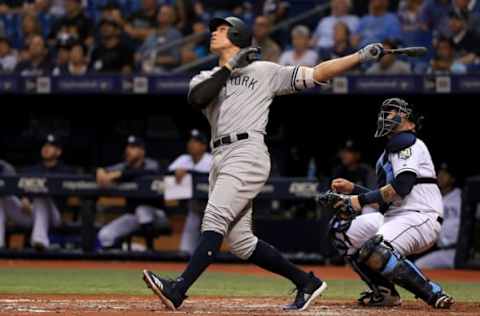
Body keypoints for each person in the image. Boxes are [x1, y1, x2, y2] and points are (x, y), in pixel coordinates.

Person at [142, 15, 385, 312]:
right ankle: (306, 282)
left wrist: (359, 56)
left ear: (238, 35)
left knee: (214, 219)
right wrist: (230, 66)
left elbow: (317, 72)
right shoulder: (203, 77)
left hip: (247, 152)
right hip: (220, 156)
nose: (214, 33)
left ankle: (178, 289)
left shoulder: (264, 71)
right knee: (242, 243)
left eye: (221, 29)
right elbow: (198, 99)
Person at [329, 98, 454, 309]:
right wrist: (354, 190)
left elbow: (402, 186)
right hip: (394, 217)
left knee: (376, 248)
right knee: (341, 231)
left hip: (420, 217)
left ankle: (432, 292)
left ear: (411, 124)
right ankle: (384, 293)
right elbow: (387, 199)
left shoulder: (408, 142)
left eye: (397, 113)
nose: (389, 116)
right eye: (387, 113)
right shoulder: (388, 153)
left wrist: (356, 201)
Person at [96, 135, 167, 250]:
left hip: (158, 216)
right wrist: (100, 171)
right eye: (128, 147)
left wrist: (119, 175)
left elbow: (146, 172)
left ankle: (150, 252)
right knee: (105, 235)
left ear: (142, 151)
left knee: (142, 210)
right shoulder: (124, 166)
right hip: (134, 216)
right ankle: (120, 258)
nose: (128, 150)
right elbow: (106, 170)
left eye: (133, 147)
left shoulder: (152, 164)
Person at [22, 133, 75, 250]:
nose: (46, 148)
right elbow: (16, 187)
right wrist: (24, 199)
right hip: (30, 212)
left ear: (58, 152)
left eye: (51, 146)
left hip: (54, 216)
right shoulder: (31, 170)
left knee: (41, 196)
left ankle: (39, 241)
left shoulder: (66, 171)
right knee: (3, 199)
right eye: (44, 146)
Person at [168, 130, 212, 255]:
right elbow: (167, 174)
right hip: (194, 207)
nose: (191, 144)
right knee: (185, 250)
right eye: (190, 141)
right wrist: (177, 172)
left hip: (212, 206)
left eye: (196, 141)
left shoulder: (210, 160)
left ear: (203, 146)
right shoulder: (183, 159)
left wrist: (188, 173)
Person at [415, 163, 462, 269]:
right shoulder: (432, 199)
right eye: (439, 173)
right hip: (443, 251)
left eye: (445, 174)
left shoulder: (462, 197)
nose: (440, 176)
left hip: (460, 251)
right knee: (418, 267)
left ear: (453, 179)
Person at [137, 4, 183, 74]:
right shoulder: (152, 34)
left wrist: (154, 60)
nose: (161, 15)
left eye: (164, 14)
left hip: (163, 73)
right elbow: (141, 50)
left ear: (172, 18)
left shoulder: (174, 34)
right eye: (160, 13)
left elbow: (175, 58)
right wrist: (138, 55)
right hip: (144, 70)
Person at [0, 159, 32, 249]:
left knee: (2, 198)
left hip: (15, 211)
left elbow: (12, 189)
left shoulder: (4, 167)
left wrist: (25, 199)